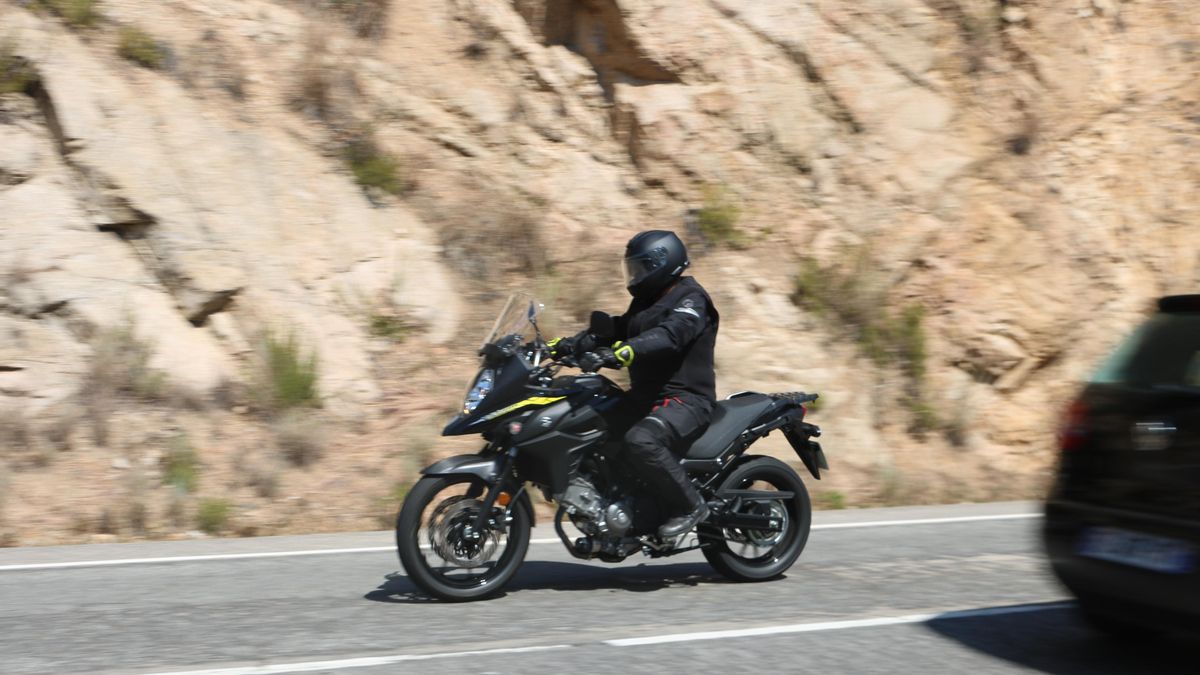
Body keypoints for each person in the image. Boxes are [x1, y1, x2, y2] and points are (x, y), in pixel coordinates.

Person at [550, 230, 718, 540]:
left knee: (642, 440)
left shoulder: (692, 300)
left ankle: (691, 507)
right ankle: (618, 502)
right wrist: (565, 345)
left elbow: (670, 334)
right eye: (633, 268)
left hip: (686, 401)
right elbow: (615, 330)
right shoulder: (645, 303)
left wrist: (626, 351)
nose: (635, 275)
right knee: (588, 421)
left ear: (662, 264)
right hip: (647, 397)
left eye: (640, 268)